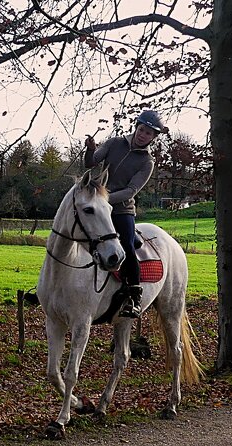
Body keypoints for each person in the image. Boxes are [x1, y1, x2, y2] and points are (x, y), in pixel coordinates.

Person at [84, 109, 163, 317]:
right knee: (76, 232)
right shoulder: (114, 143)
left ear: (153, 138)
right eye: (142, 129)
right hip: (99, 204)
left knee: (127, 244)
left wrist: (104, 199)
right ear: (136, 127)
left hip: (122, 209)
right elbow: (91, 163)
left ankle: (135, 295)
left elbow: (131, 191)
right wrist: (90, 150)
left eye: (148, 133)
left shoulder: (147, 162)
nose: (142, 134)